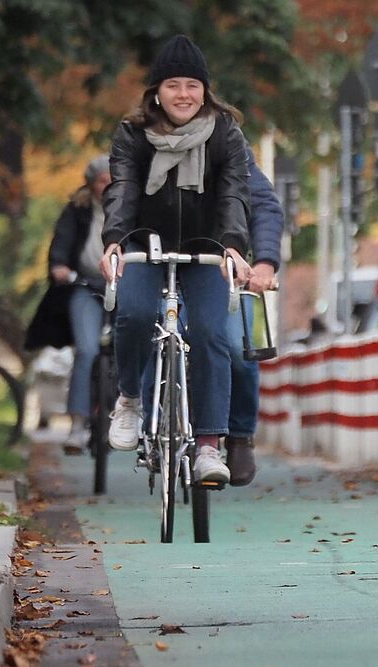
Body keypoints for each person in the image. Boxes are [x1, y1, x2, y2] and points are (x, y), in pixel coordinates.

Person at [99, 34, 253, 484]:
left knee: (212, 333)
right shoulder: (132, 134)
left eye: (192, 85)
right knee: (133, 313)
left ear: (204, 91)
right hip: (145, 244)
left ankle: (208, 444)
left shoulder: (226, 133)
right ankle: (130, 399)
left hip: (207, 249)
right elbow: (123, 189)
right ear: (156, 92)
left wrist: (232, 245)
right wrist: (114, 240)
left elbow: (234, 193)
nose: (183, 94)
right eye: (173, 85)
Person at [31, 156, 111, 451]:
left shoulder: (132, 206)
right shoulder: (77, 209)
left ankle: (131, 414)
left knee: (134, 344)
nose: (109, 187)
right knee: (86, 349)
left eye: (114, 181)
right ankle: (77, 425)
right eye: (102, 181)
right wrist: (59, 265)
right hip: (85, 285)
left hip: (124, 286)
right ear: (91, 185)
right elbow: (61, 242)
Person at [223, 151, 283, 486]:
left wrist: (264, 262)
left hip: (227, 269)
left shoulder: (230, 145)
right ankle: (148, 418)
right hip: (166, 262)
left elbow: (264, 206)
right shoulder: (145, 139)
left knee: (238, 348)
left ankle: (240, 435)